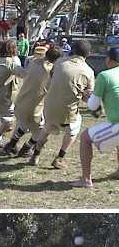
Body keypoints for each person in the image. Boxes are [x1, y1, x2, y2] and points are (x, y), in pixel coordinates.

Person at [30, 40, 95, 168]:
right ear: (89, 54)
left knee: (47, 128)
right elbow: (88, 96)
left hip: (48, 108)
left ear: (73, 50)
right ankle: (59, 158)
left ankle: (35, 155)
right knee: (73, 130)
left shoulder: (59, 62)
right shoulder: (88, 71)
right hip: (66, 113)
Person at [3, 45, 63, 156]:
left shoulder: (33, 62)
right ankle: (27, 148)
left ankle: (11, 144)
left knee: (24, 123)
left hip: (20, 103)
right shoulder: (50, 72)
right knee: (41, 130)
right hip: (34, 109)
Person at [72, 47, 119, 188]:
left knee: (85, 138)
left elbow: (93, 106)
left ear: (110, 60)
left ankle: (86, 180)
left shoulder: (104, 76)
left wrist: (87, 97)